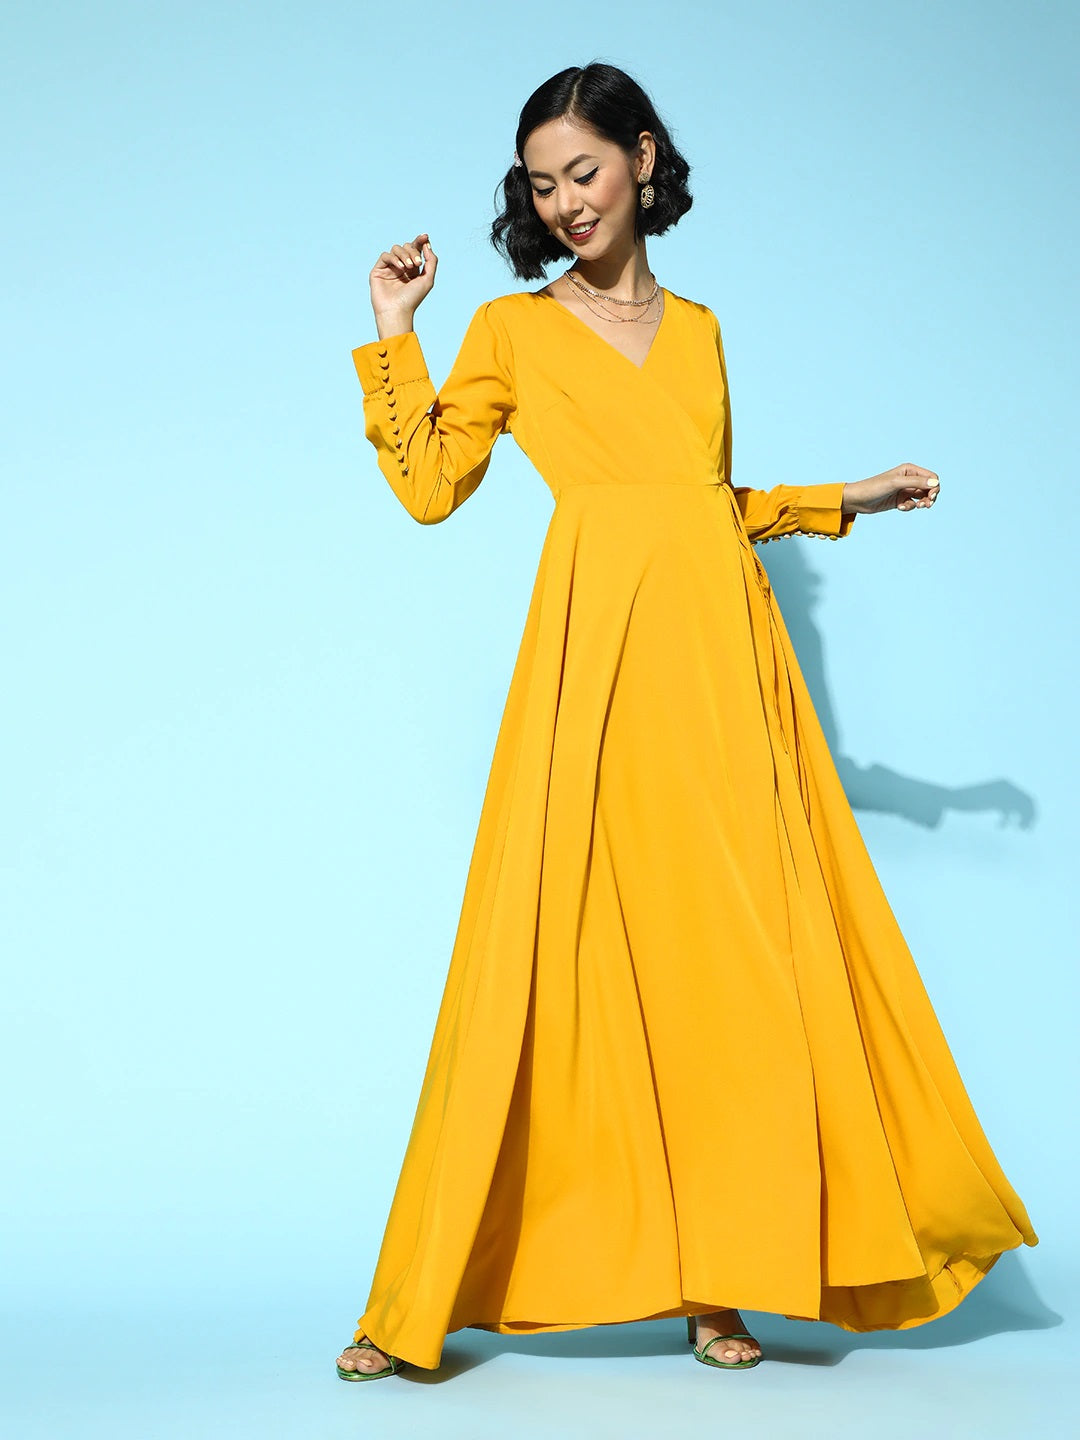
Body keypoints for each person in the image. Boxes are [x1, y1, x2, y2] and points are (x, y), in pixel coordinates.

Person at [334, 62, 1038, 1382]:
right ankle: (419, 1297)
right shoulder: (512, 329)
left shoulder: (703, 330)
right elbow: (428, 485)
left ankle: (726, 1285)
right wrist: (392, 327)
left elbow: (699, 503)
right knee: (547, 962)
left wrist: (844, 499)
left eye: (585, 171)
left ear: (643, 159)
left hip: (721, 666)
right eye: (542, 184)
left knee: (729, 972)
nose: (566, 202)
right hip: (594, 667)